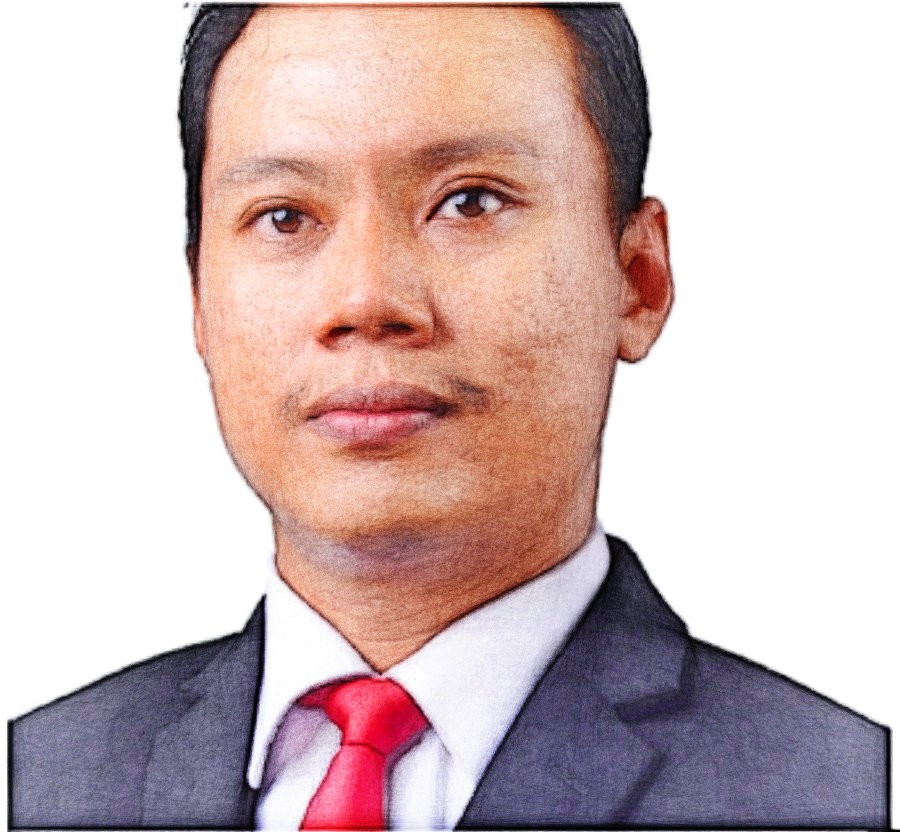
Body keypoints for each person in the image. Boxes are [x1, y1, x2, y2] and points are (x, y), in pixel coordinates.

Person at [7, 4, 891, 829]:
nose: (365, 300)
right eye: (284, 216)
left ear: (637, 280)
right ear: (199, 298)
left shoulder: (844, 796)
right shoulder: (36, 781)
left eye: (470, 201)